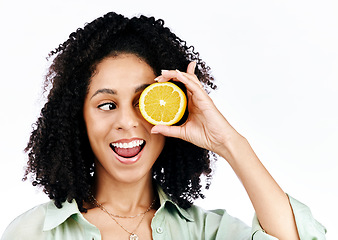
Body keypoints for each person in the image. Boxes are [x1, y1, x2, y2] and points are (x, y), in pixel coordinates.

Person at [1, 12, 326, 240]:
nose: (127, 122)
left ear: (169, 111)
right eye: (107, 105)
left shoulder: (204, 231)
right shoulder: (34, 232)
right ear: (78, 119)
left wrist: (229, 143)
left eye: (143, 102)